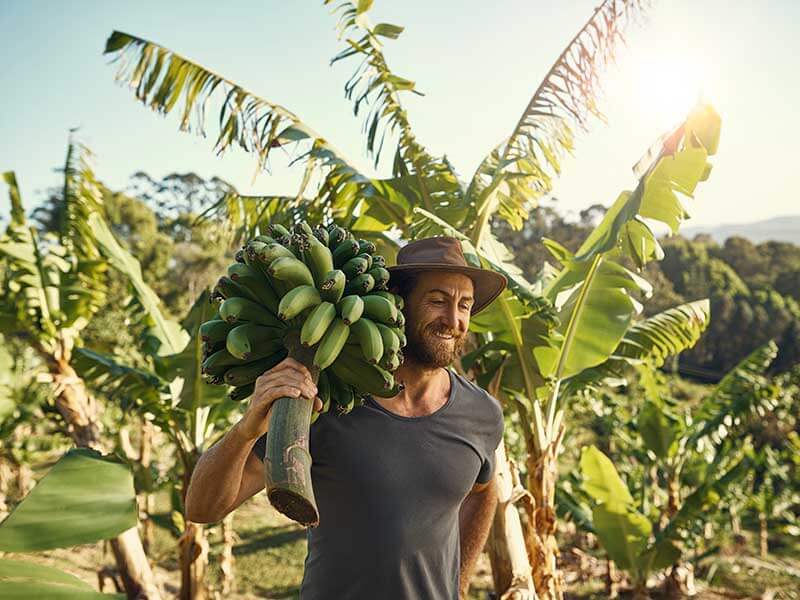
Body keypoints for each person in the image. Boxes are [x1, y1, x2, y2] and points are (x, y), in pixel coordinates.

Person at [185, 236, 507, 599]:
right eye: (437, 301)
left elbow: (483, 491)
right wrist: (246, 430)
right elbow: (203, 508)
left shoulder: (481, 413)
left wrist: (458, 584)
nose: (454, 319)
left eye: (464, 305)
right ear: (398, 304)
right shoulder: (326, 402)